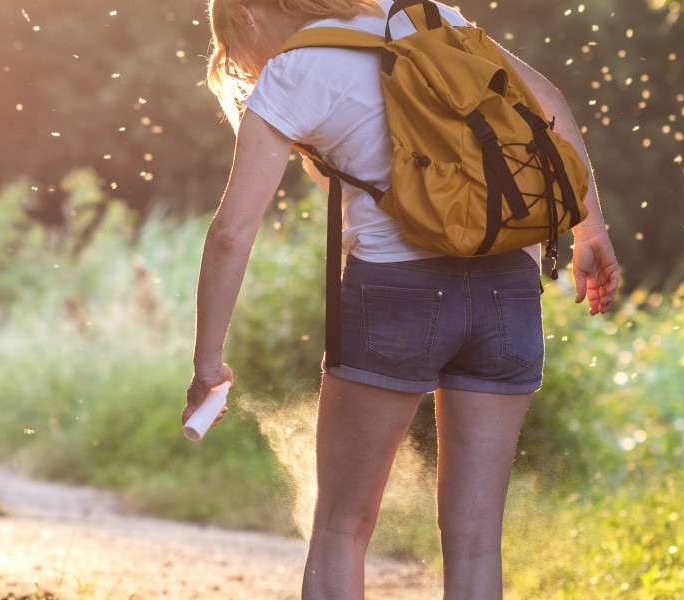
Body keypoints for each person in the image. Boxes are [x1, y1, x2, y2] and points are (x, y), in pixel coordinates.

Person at [184, 0, 621, 597]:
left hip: (396, 291)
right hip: (509, 288)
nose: (247, 65)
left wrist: (207, 363)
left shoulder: (296, 68)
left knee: (342, 527)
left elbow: (231, 233)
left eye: (236, 51)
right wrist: (590, 231)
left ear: (247, 15)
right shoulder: (429, 17)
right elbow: (548, 100)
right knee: (476, 541)